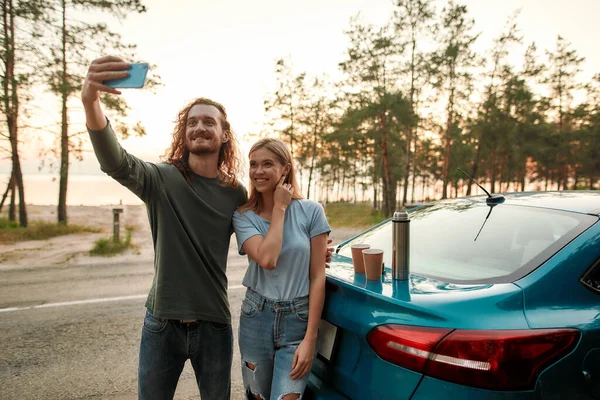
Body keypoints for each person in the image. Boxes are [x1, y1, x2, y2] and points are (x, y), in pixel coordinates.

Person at [81, 56, 333, 400]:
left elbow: (270, 241)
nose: (199, 127)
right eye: (192, 122)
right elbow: (114, 160)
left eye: (208, 122)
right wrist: (90, 100)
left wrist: (309, 252)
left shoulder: (235, 194)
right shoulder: (160, 179)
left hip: (215, 325)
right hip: (161, 322)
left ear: (223, 134)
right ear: (184, 134)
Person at [232, 138, 331, 400]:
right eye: (253, 165)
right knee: (258, 397)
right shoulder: (243, 216)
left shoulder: (312, 211)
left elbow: (318, 276)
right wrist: (279, 207)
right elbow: (268, 258)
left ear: (285, 168)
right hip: (256, 316)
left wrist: (311, 338)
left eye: (267, 164)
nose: (258, 171)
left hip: (297, 321)